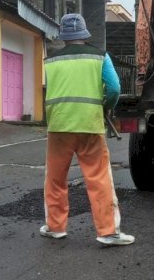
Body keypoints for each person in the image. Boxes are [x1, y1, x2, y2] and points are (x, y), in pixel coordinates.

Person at [40, 13, 134, 246]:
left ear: (63, 36)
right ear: (84, 33)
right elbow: (113, 88)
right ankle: (108, 231)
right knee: (99, 177)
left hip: (59, 125)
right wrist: (106, 108)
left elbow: (50, 90)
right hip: (90, 125)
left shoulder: (50, 60)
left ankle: (55, 227)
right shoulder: (100, 57)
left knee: (55, 178)